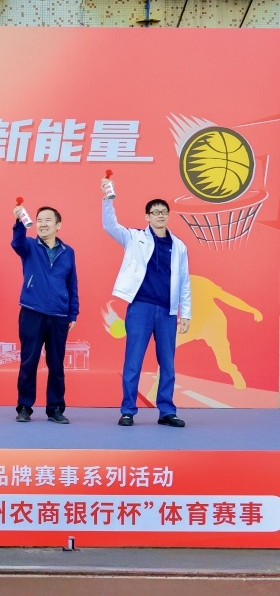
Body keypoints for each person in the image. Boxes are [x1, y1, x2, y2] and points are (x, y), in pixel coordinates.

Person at [101, 178, 191, 428]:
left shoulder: (179, 246)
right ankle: (128, 410)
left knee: (168, 363)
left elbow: (184, 281)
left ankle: (167, 411)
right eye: (155, 212)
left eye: (164, 212)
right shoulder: (134, 237)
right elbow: (110, 225)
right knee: (133, 361)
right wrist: (107, 199)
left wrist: (186, 313)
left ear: (168, 216)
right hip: (141, 307)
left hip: (167, 311)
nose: (160, 215)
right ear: (147, 217)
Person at [11, 205, 78, 424]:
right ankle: (24, 407)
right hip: (32, 312)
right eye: (39, 220)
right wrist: (19, 222)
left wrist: (73, 313)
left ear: (58, 225)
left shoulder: (68, 252)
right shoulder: (29, 245)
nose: (42, 224)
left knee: (56, 365)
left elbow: (72, 284)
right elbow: (16, 243)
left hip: (59, 316)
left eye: (48, 220)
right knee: (28, 362)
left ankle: (55, 408)